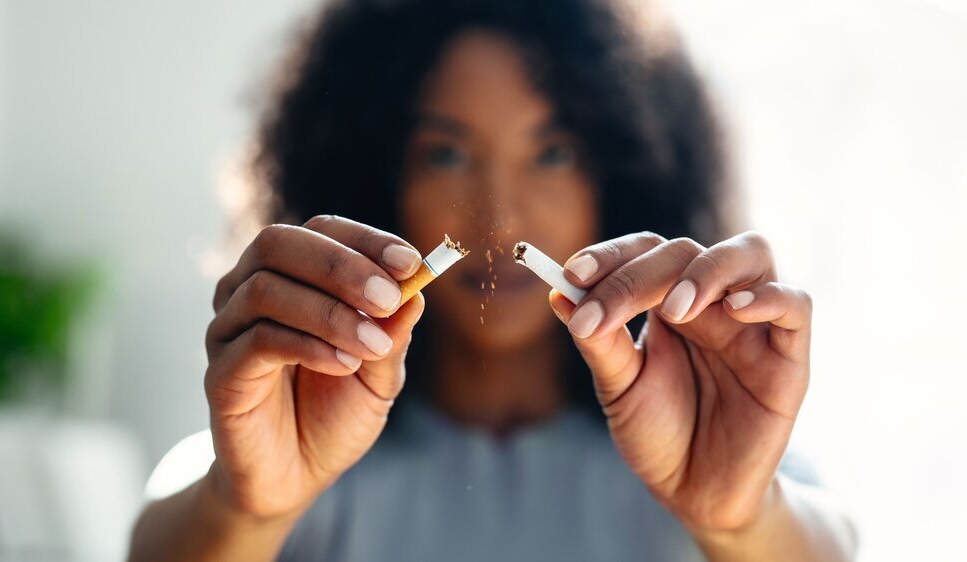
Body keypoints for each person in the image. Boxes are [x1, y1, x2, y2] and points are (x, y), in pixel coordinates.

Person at [128, 0, 858, 560]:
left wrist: (740, 520)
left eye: (554, 153)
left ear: (621, 176)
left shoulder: (708, 439)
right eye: (446, 156)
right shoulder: (286, 446)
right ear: (380, 179)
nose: (502, 223)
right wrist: (246, 512)